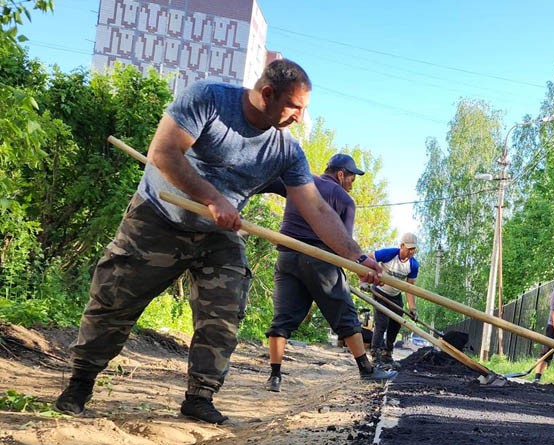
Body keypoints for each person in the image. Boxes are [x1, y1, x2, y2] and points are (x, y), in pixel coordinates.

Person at [54, 59, 384, 424]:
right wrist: (212, 197)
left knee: (224, 312)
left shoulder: (285, 151)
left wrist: (358, 257)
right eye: (295, 107)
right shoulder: (208, 99)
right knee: (114, 301)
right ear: (268, 94)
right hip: (158, 217)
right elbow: (163, 152)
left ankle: (199, 396)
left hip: (218, 235)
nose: (299, 118)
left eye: (304, 110)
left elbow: (317, 210)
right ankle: (80, 381)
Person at [262, 153, 395, 392]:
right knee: (345, 316)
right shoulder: (344, 199)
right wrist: (360, 265)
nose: (352, 185)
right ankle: (366, 369)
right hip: (321, 259)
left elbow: (267, 181)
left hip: (287, 256)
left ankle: (275, 376)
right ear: (341, 174)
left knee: (282, 318)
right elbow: (342, 242)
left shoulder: (300, 181)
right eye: (352, 179)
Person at [370, 233, 420, 367]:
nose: (411, 251)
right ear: (402, 245)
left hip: (395, 296)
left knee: (396, 323)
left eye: (413, 249)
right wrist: (368, 276)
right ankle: (375, 355)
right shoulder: (389, 254)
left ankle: (387, 354)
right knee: (381, 323)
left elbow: (409, 288)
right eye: (409, 248)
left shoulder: (413, 265)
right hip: (379, 292)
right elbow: (369, 258)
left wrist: (412, 308)